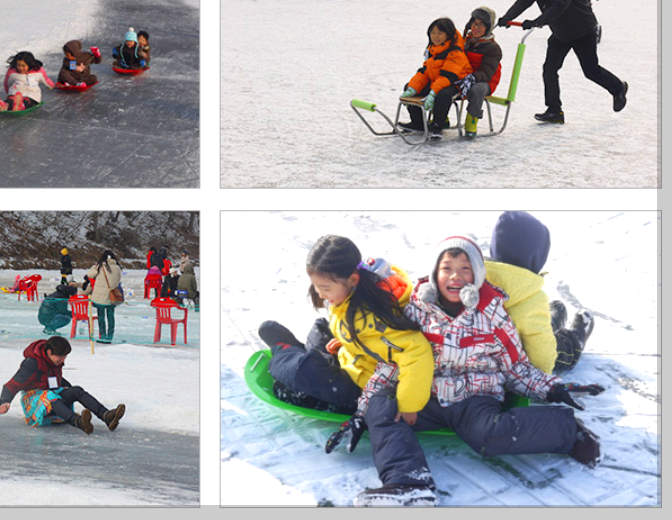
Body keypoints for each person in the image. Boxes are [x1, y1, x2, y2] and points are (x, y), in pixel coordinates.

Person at [335, 235, 605, 507]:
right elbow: (393, 362)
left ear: (477, 276)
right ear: (434, 273)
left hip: (474, 399)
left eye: (465, 269)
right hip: (424, 398)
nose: (455, 276)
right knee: (383, 406)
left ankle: (567, 429)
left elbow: (516, 367)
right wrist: (364, 411)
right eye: (447, 268)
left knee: (489, 435)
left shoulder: (492, 313)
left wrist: (552, 387)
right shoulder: (415, 311)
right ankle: (410, 484)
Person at [258, 236, 433, 416]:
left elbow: (417, 354)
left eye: (325, 288)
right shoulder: (356, 291)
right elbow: (370, 339)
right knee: (321, 328)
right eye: (316, 286)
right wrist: (346, 342)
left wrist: (409, 406)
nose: (320, 294)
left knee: (304, 372)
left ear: (352, 279)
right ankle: (297, 354)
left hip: (365, 387)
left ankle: (285, 352)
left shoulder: (376, 317)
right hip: (354, 359)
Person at [498, 0, 627, 124]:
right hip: (560, 32)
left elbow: (561, 5)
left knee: (590, 71)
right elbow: (524, 1)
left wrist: (538, 21)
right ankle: (554, 110)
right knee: (549, 69)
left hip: (582, 29)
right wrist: (507, 17)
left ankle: (618, 87)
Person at [487, 211, 594, 374]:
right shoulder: (532, 301)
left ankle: (551, 322)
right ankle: (575, 339)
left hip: (483, 356)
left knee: (535, 325)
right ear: (536, 258)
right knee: (556, 345)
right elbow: (543, 361)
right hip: (520, 363)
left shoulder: (473, 275)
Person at [0, 336, 126, 434]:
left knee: (76, 390)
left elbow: (56, 380)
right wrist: (4, 401)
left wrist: (71, 392)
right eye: (60, 356)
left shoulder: (54, 362)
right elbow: (12, 384)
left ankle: (106, 415)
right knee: (50, 396)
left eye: (65, 356)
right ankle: (78, 422)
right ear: (48, 352)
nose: (63, 360)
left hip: (51, 395)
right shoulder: (32, 363)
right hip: (34, 402)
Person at [397, 17, 472, 138]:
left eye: (439, 33)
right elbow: (425, 72)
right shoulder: (433, 50)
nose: (435, 36)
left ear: (448, 35)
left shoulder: (456, 53)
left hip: (456, 83)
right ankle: (418, 124)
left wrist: (433, 92)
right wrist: (412, 88)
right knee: (409, 87)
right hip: (438, 81)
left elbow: (447, 76)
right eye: (433, 33)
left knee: (443, 94)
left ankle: (437, 125)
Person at [460, 7, 503, 138]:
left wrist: (473, 77)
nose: (476, 28)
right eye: (474, 24)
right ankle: (441, 118)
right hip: (466, 75)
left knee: (477, 89)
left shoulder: (493, 48)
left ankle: (471, 121)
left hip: (486, 81)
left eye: (481, 25)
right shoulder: (466, 41)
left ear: (488, 28)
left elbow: (487, 73)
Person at [83, 250, 123, 343]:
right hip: (111, 296)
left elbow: (90, 275)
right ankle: (109, 337)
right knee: (110, 316)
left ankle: (103, 336)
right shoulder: (117, 267)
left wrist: (94, 266)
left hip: (100, 296)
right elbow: (118, 280)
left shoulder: (99, 266)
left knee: (101, 316)